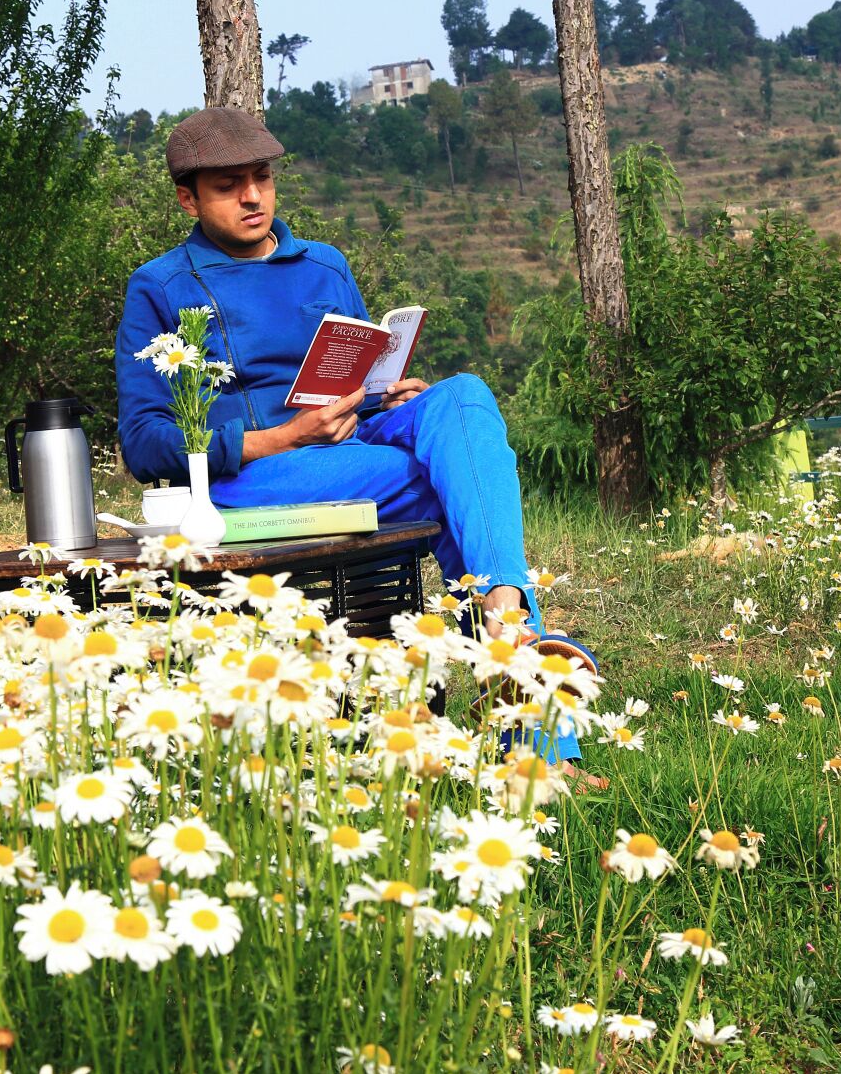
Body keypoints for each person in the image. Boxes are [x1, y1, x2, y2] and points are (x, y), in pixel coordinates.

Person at [114, 106, 598, 769]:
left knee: (461, 397)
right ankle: (537, 735)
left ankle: (502, 620)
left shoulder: (324, 266)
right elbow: (143, 443)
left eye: (261, 177)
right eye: (228, 186)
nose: (253, 196)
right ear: (187, 197)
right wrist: (284, 435)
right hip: (250, 479)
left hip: (348, 454)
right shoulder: (160, 286)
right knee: (446, 482)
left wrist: (382, 398)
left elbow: (353, 390)